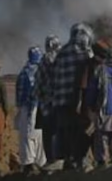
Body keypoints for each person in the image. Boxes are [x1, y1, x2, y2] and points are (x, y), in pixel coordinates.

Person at [52, 23, 94, 170]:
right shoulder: (86, 52)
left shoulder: (61, 52)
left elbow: (54, 76)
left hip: (60, 100)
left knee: (64, 130)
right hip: (78, 101)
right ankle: (80, 159)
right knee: (81, 130)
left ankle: (66, 159)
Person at [85, 40, 112, 167]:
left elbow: (92, 89)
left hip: (103, 107)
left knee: (102, 134)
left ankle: (102, 159)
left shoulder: (100, 70)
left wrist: (89, 104)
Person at [16, 47, 47, 172]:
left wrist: (21, 108)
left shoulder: (24, 72)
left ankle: (29, 163)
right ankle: (41, 162)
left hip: (28, 108)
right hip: (42, 108)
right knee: (41, 135)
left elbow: (20, 95)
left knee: (27, 135)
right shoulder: (44, 71)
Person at [35, 35, 61, 165]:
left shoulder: (44, 59)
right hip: (60, 102)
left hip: (46, 103)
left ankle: (50, 160)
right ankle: (59, 158)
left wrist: (39, 95)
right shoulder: (62, 58)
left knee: (48, 132)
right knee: (58, 131)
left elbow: (38, 81)